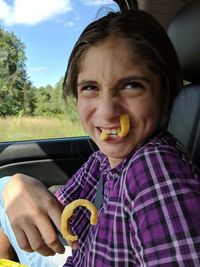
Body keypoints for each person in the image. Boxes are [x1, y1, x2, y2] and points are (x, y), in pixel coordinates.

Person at [0, 8, 200, 267]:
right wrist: (19, 184)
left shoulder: (155, 169)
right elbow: (60, 211)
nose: (107, 112)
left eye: (132, 85)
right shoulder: (103, 160)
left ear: (164, 94)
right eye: (90, 88)